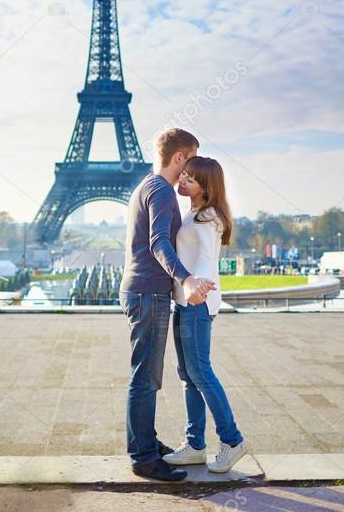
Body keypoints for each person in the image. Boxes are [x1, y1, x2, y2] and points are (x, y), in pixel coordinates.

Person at [119, 128, 215, 482]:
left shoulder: (146, 186)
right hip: (148, 292)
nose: (193, 168)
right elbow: (158, 240)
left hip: (140, 289)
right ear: (179, 157)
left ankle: (145, 442)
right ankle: (143, 457)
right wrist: (187, 278)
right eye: (190, 160)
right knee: (146, 378)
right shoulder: (160, 190)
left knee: (145, 375)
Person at [163, 156, 249, 474]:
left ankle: (232, 440)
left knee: (200, 373)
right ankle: (195, 445)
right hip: (187, 300)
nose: (182, 181)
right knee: (188, 375)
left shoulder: (209, 216)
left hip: (197, 301)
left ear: (206, 186)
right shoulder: (194, 212)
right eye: (182, 175)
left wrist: (195, 285)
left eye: (190, 179)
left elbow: (206, 259)